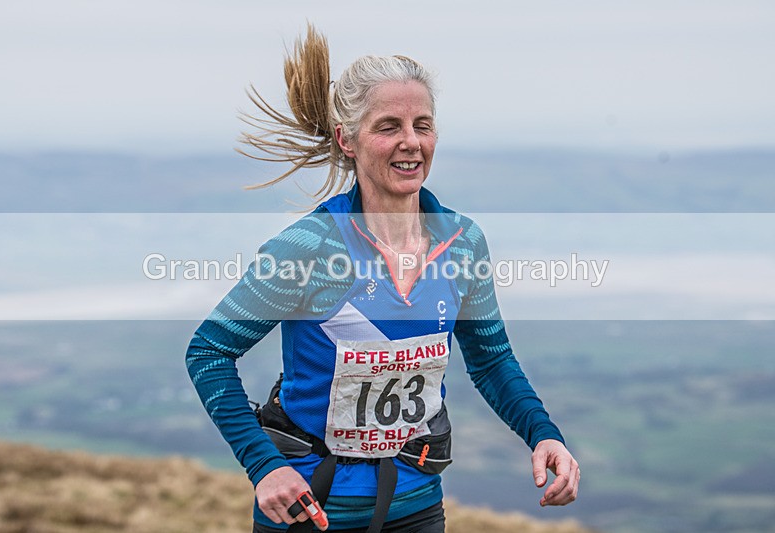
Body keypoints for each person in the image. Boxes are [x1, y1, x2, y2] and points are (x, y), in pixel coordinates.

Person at [186, 25, 579, 533]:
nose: (411, 142)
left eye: (423, 124)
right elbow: (208, 352)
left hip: (416, 507)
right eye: (388, 126)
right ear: (346, 140)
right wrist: (265, 466)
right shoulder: (308, 248)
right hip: (312, 508)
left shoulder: (462, 243)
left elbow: (491, 360)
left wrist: (542, 434)